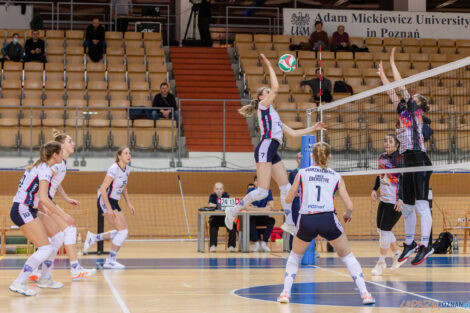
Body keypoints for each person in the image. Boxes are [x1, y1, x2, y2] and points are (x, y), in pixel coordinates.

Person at [225, 53, 325, 236]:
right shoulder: (263, 106)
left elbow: (294, 133)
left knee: (286, 187)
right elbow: (276, 87)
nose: (270, 94)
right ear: (262, 96)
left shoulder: (275, 115)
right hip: (265, 147)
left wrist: (314, 127)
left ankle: (288, 222)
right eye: (267, 92)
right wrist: (270, 65)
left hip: (273, 150)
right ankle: (233, 210)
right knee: (262, 191)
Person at [277, 142, 375, 305]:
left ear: (312, 156)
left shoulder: (302, 172)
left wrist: (299, 194)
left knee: (295, 257)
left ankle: (285, 293)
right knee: (348, 256)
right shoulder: (336, 176)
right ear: (329, 156)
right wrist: (347, 214)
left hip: (307, 219)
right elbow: (350, 206)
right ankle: (365, 294)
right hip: (328, 219)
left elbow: (288, 199)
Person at [376, 47, 434, 266]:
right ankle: (409, 243)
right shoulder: (402, 112)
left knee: (421, 206)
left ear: (418, 103)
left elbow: (400, 88)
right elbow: (391, 92)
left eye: (415, 96)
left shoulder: (416, 112)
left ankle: (425, 245)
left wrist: (392, 63)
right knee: (408, 207)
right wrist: (382, 75)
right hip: (407, 161)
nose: (412, 96)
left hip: (419, 159)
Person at [28, 130, 96, 282]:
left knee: (57, 238)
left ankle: (37, 270)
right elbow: (41, 180)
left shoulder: (62, 162)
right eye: (70, 141)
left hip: (45, 201)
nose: (73, 143)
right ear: (61, 146)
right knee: (69, 229)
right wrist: (43, 204)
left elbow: (56, 183)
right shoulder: (55, 165)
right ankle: (74, 269)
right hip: (42, 202)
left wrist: (65, 198)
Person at [9, 142, 70, 296]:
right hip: (22, 208)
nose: (63, 156)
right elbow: (43, 197)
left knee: (58, 236)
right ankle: (19, 282)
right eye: (61, 153)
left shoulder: (41, 167)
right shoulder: (45, 171)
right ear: (55, 155)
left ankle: (45, 277)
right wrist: (63, 214)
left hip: (30, 208)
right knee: (45, 248)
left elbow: (38, 197)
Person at [83, 147, 135, 269]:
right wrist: (109, 209)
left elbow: (124, 188)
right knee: (123, 231)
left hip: (115, 202)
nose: (129, 155)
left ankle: (94, 237)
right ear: (119, 156)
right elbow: (102, 189)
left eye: (129, 153)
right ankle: (110, 260)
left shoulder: (127, 169)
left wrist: (129, 203)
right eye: (126, 153)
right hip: (105, 201)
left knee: (123, 231)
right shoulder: (114, 169)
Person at [371, 134, 405, 275]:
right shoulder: (382, 157)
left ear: (396, 144)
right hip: (384, 200)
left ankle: (381, 262)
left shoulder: (400, 159)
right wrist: (374, 189)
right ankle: (397, 254)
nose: (387, 143)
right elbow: (380, 175)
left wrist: (401, 199)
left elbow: (404, 181)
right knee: (381, 230)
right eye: (385, 140)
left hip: (395, 201)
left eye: (390, 141)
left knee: (384, 231)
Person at [245, 176, 275, 252]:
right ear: (254, 183)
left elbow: (271, 206)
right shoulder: (250, 191)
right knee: (250, 220)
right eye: (258, 181)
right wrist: (264, 208)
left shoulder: (268, 191)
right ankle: (256, 243)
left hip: (263, 216)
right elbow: (247, 207)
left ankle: (264, 243)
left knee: (271, 220)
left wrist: (255, 208)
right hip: (254, 216)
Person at [208, 182, 237, 252]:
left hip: (225, 217)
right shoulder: (212, 196)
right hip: (215, 217)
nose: (219, 190)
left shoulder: (226, 195)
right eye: (217, 189)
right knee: (213, 226)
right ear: (214, 190)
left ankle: (231, 246)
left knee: (233, 226)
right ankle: (213, 245)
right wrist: (218, 205)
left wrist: (218, 205)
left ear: (223, 190)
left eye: (220, 189)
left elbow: (228, 204)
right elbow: (210, 204)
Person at [288, 153, 301, 249]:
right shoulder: (293, 173)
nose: (301, 160)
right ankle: (292, 248)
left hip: (307, 202)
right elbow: (292, 190)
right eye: (299, 158)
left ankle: (310, 249)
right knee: (296, 224)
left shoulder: (310, 172)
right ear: (297, 160)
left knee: (309, 225)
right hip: (296, 202)